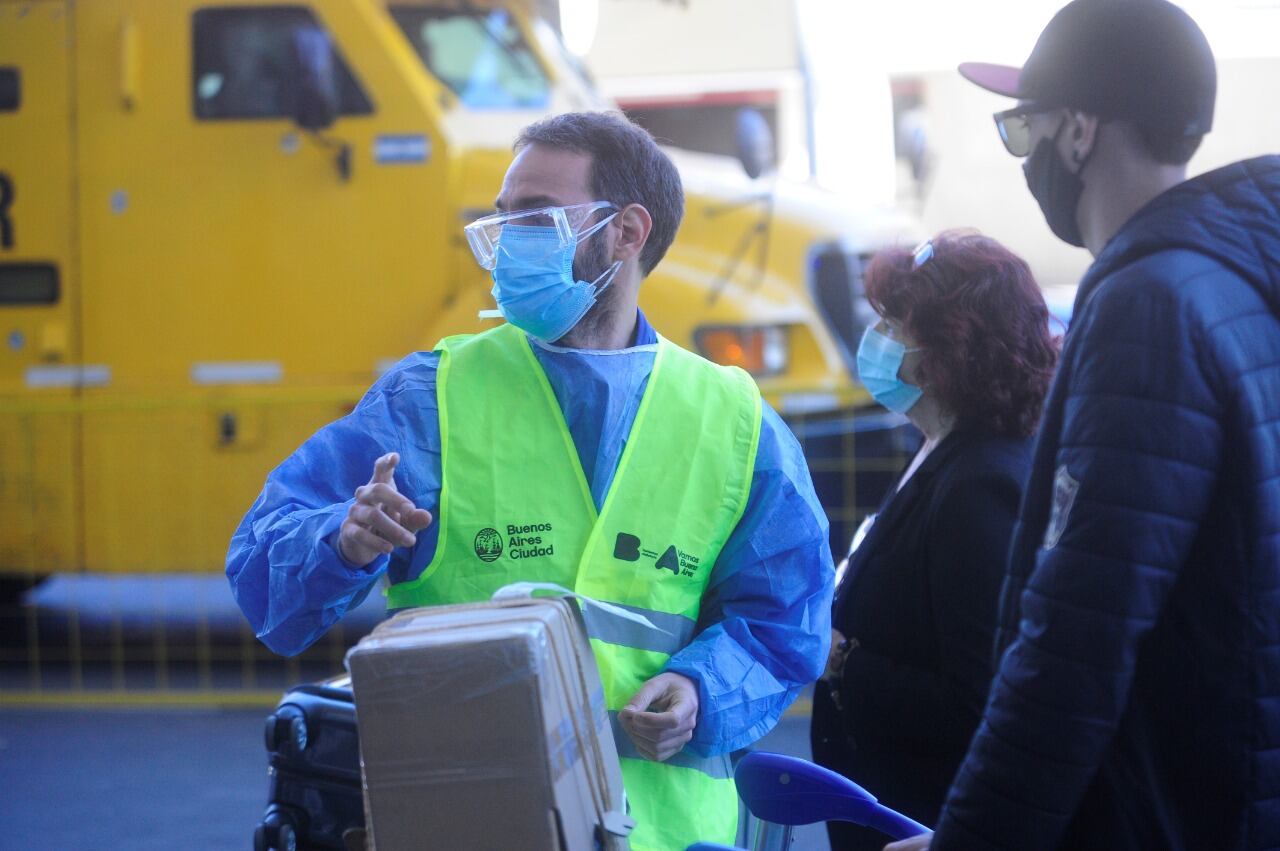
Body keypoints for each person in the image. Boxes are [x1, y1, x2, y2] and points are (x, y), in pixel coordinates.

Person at [226, 111, 834, 851]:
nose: (510, 239)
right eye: (504, 216)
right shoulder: (431, 396)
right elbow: (263, 567)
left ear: (627, 232)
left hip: (665, 834)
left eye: (538, 217)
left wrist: (704, 688)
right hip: (467, 822)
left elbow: (783, 620)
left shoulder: (735, 422)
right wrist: (340, 539)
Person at [888, 1, 1280, 849]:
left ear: (1077, 134)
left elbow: (1075, 644)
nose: (1025, 157)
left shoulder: (1148, 304)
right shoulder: (1234, 283)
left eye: (1022, 129)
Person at [810, 232, 1057, 851]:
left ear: (953, 351)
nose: (877, 338)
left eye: (894, 324)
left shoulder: (982, 486)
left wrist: (843, 661)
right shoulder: (941, 447)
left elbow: (978, 701)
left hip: (924, 824)